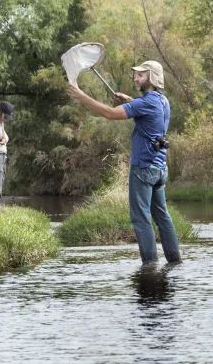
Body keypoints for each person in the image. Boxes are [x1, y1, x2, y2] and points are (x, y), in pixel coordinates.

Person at [67, 60, 182, 264]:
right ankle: (175, 262)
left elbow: (110, 114)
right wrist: (128, 99)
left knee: (141, 219)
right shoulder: (163, 102)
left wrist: (81, 95)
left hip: (143, 169)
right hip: (159, 169)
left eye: (141, 75)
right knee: (162, 217)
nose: (136, 78)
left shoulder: (145, 103)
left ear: (152, 78)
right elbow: (145, 110)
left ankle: (150, 266)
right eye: (136, 74)